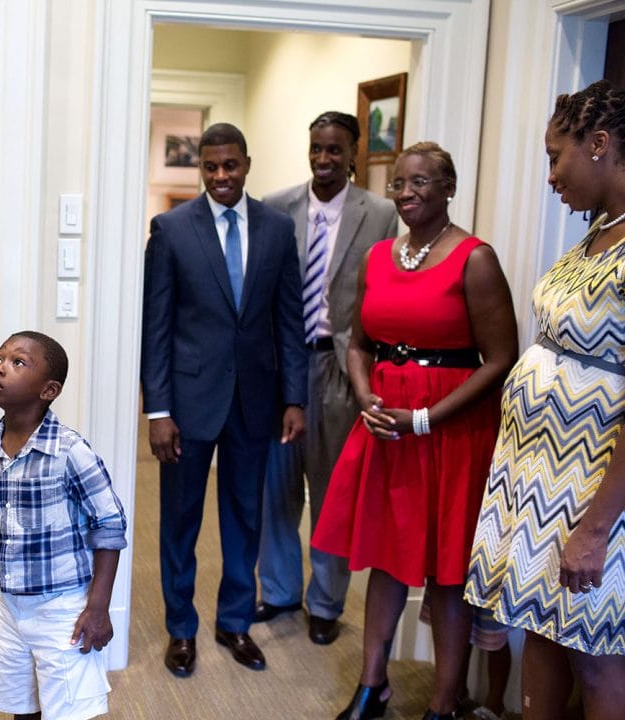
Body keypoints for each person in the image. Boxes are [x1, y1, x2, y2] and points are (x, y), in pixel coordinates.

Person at [311, 141, 518, 720]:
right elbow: (358, 344)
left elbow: (501, 358)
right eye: (399, 183)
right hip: (385, 426)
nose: (405, 193)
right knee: (386, 557)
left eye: (420, 182)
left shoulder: (475, 258)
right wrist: (364, 395)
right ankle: (371, 685)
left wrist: (426, 418)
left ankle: (444, 701)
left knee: (445, 570)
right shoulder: (378, 257)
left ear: (449, 187)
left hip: (449, 428)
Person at [465, 79, 625, 720]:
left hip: (594, 492)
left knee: (595, 653)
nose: (551, 175)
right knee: (539, 624)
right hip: (537, 483)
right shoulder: (597, 232)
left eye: (556, 156)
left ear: (601, 144)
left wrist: (594, 530)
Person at [140, 122, 307, 677]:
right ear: (201, 169)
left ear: (246, 164)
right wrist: (157, 410)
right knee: (180, 519)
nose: (220, 177)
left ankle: (234, 621)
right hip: (188, 403)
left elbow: (290, 321)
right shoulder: (170, 229)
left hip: (256, 400)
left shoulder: (279, 229)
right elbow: (156, 327)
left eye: (229, 166)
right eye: (209, 168)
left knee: (245, 516)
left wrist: (295, 398)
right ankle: (180, 628)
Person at [256, 111, 398, 645]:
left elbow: (382, 290)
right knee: (278, 487)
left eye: (334, 150)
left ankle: (325, 602)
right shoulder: (275, 206)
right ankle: (280, 591)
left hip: (342, 366)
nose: (323, 159)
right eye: (316, 148)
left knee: (334, 490)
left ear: (353, 153)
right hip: (281, 369)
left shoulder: (381, 212)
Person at [0, 331, 127, 720]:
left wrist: (99, 607)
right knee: (21, 706)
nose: (0, 367)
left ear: (49, 389)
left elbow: (109, 527)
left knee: (66, 710)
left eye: (18, 363)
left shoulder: (71, 452)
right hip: (10, 608)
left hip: (62, 610)